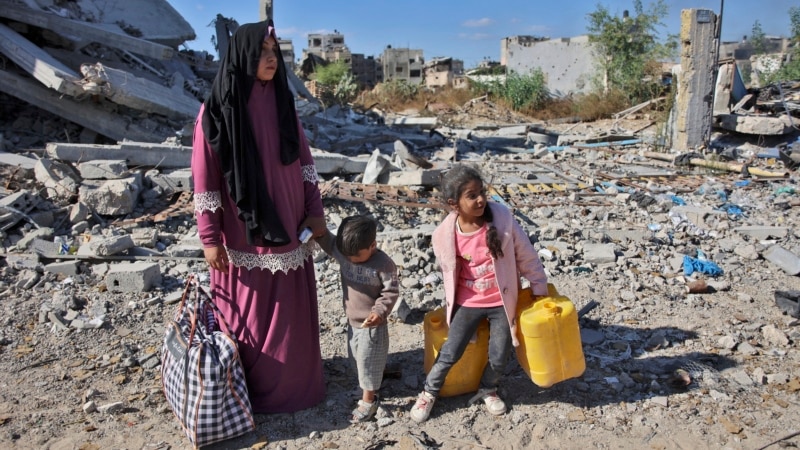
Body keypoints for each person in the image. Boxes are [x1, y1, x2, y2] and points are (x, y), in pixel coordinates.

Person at [191, 20, 327, 413]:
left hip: (290, 222)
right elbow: (205, 178)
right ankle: (248, 393)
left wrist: (315, 212)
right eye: (263, 51)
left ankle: (297, 389)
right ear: (243, 56)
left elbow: (304, 163)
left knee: (290, 313)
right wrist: (210, 237)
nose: (271, 58)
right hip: (242, 230)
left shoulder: (284, 102)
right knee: (249, 310)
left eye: (275, 51)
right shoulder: (216, 111)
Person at [410, 164, 549, 423]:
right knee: (451, 350)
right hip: (468, 302)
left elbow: (526, 256)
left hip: (501, 301)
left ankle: (488, 387)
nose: (481, 199)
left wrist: (538, 286)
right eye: (472, 195)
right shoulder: (445, 235)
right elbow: (450, 274)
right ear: (454, 204)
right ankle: (429, 392)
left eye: (482, 192)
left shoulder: (503, 220)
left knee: (500, 352)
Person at [315, 216, 399, 423]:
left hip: (372, 324)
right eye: (347, 255)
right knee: (355, 358)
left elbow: (390, 293)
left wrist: (378, 312)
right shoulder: (345, 251)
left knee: (366, 360)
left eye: (355, 257)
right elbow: (327, 241)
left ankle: (369, 400)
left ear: (372, 245)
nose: (349, 259)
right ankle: (376, 378)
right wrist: (315, 229)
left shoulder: (384, 265)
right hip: (352, 322)